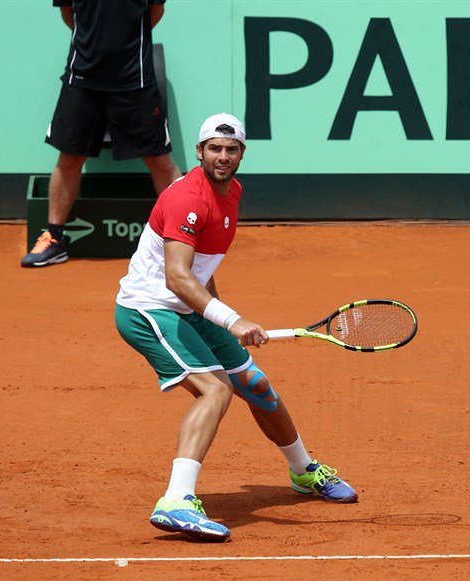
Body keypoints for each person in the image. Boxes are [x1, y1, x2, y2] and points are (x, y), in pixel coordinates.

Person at [114, 112, 358, 542]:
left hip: (190, 308)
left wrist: (220, 319)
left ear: (242, 153)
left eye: (231, 149)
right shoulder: (187, 198)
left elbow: (203, 268)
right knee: (216, 389)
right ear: (199, 151)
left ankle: (303, 471)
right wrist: (232, 319)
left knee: (255, 384)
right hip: (150, 310)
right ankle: (175, 500)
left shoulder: (232, 192)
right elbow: (177, 277)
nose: (222, 157)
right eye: (214, 148)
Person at [22, 0, 182, 268]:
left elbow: (156, 11)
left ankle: (181, 241)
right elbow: (68, 14)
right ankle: (55, 239)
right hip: (82, 78)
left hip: (135, 80)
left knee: (160, 161)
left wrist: (126, 46)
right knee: (70, 157)